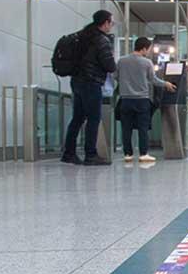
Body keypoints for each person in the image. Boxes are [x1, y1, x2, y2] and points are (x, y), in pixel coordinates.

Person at [61, 10, 117, 166]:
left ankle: (69, 152)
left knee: (77, 118)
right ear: (105, 22)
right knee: (93, 118)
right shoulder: (101, 40)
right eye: (111, 23)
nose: (111, 26)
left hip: (76, 81)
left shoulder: (82, 36)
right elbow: (110, 66)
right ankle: (91, 154)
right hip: (92, 83)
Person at [116, 37, 175, 164]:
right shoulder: (146, 63)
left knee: (126, 128)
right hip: (142, 99)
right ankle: (143, 154)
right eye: (148, 49)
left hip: (125, 99)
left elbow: (116, 76)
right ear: (143, 48)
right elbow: (153, 80)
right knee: (143, 128)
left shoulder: (121, 61)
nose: (148, 51)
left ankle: (128, 154)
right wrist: (166, 84)